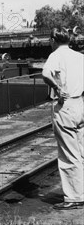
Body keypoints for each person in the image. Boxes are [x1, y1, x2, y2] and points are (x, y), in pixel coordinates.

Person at [41, 28, 84, 210]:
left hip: (65, 106)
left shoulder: (56, 55)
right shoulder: (80, 57)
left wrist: (57, 88)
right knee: (81, 151)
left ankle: (75, 197)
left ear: (53, 40)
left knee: (68, 154)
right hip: (80, 105)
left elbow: (45, 74)